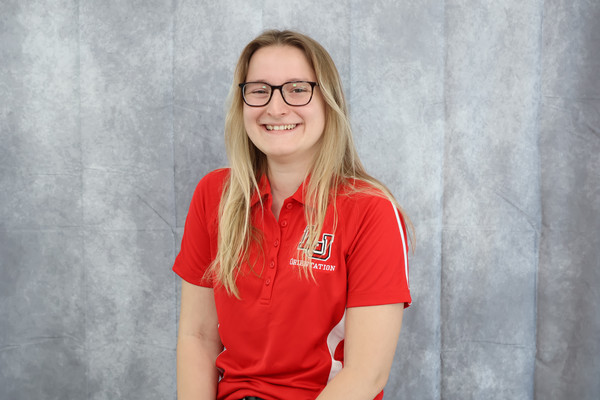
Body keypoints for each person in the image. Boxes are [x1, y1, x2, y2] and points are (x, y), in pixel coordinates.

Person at [173, 29, 413, 400]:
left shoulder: (371, 210)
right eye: (259, 90)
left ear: (328, 101)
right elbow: (198, 336)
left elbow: (367, 375)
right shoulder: (215, 194)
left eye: (297, 89)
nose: (275, 108)